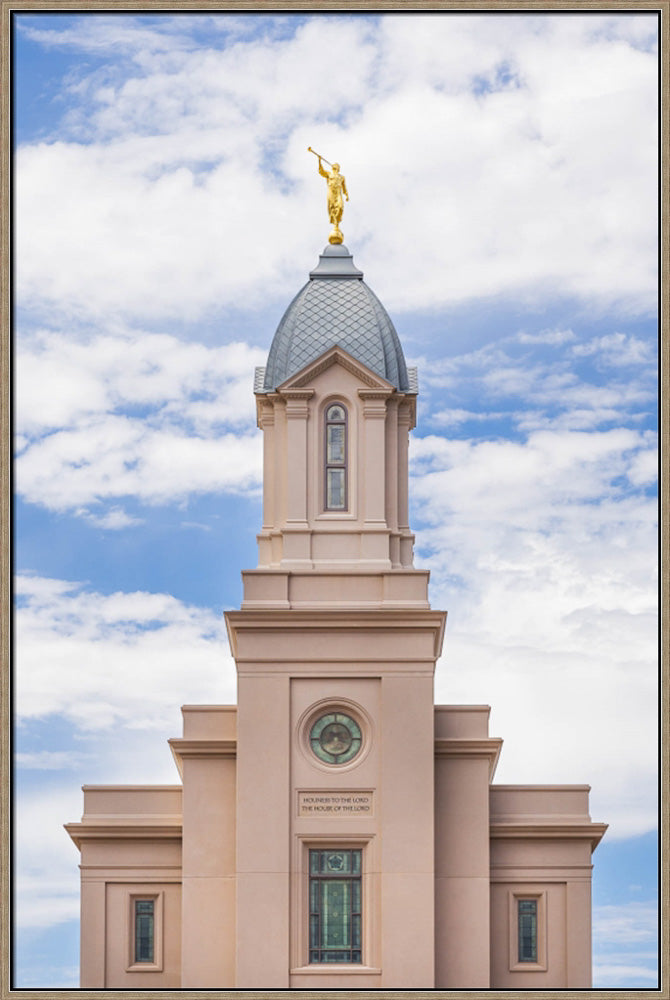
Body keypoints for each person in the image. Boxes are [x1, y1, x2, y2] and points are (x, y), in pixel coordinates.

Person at [318, 157, 349, 227]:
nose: (335, 166)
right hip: (331, 192)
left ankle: (337, 220)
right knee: (331, 206)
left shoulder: (342, 177)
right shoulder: (329, 174)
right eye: (334, 165)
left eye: (336, 166)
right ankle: (334, 222)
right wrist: (319, 162)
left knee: (340, 207)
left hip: (338, 193)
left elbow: (344, 187)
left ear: (338, 168)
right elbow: (321, 172)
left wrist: (346, 195)